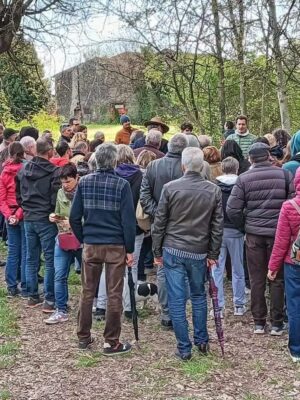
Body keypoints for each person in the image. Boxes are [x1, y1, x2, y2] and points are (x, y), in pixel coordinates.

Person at [152, 147, 223, 360]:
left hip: (173, 248)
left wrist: (157, 250)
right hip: (198, 251)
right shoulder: (212, 190)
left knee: (176, 299)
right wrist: (213, 253)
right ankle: (201, 341)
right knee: (199, 296)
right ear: (202, 166)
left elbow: (160, 222)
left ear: (182, 165)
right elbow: (217, 226)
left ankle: (184, 348)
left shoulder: (170, 188)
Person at [69, 143, 136, 354]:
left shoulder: (85, 182)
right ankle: (111, 341)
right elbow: (128, 221)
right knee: (114, 293)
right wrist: (130, 248)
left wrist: (84, 238)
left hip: (91, 244)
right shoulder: (122, 185)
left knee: (88, 291)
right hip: (115, 245)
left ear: (96, 160)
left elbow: (73, 217)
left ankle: (83, 337)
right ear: (115, 161)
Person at [227, 142, 294, 335]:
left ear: (250, 159)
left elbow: (232, 209)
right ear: (269, 156)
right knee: (277, 278)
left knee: (256, 278)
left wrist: (244, 226)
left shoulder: (244, 178)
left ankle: (258, 321)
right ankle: (277, 323)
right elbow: (290, 204)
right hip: (278, 236)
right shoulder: (284, 175)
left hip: (254, 235)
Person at [140, 133, 188, 328]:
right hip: (183, 224)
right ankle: (177, 311)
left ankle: (167, 312)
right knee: (182, 268)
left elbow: (144, 196)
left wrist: (158, 214)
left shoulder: (153, 166)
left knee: (162, 266)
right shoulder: (189, 169)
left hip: (160, 225)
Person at [95, 145, 144, 321]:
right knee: (132, 267)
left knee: (106, 268)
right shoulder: (141, 175)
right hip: (134, 227)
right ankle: (129, 307)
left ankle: (101, 305)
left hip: (112, 227)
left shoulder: (111, 176)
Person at [17, 138, 60, 311]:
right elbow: (55, 197)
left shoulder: (24, 168)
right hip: (44, 218)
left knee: (31, 257)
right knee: (50, 259)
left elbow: (18, 192)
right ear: (49, 150)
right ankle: (49, 298)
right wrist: (51, 211)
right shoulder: (54, 171)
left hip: (29, 217)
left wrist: (25, 206)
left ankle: (32, 295)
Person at [268, 168, 300, 362]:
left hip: (294, 262)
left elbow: (281, 241)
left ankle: (296, 349)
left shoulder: (289, 207)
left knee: (295, 304)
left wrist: (273, 267)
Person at [45, 163, 81, 324]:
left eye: (68, 181)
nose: (65, 185)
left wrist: (73, 223)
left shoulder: (84, 192)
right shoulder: (60, 193)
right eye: (63, 182)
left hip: (81, 239)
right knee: (59, 275)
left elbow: (90, 217)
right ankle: (61, 309)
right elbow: (59, 211)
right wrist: (55, 217)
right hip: (63, 237)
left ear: (77, 178)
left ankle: (93, 303)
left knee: (88, 274)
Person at [214, 157, 246, 317]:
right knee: (238, 268)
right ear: (237, 168)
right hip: (236, 231)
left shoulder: (214, 186)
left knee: (217, 269)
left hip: (218, 231)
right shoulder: (242, 185)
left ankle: (217, 306)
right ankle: (239, 304)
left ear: (222, 168)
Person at [0, 143, 26, 297]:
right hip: (22, 212)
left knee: (12, 251)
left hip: (9, 212)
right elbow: (26, 196)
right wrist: (18, 214)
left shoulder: (4, 173)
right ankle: (25, 283)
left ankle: (11, 285)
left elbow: (1, 199)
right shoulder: (25, 170)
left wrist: (8, 215)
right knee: (25, 250)